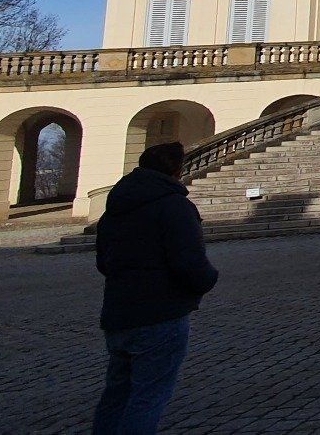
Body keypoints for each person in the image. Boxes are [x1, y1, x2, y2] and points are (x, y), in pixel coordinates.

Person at [93, 143, 219, 435]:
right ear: (178, 169)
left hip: (119, 313)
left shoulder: (116, 206)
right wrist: (208, 280)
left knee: (116, 396)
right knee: (147, 398)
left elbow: (104, 261)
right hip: (161, 314)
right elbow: (189, 262)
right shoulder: (174, 205)